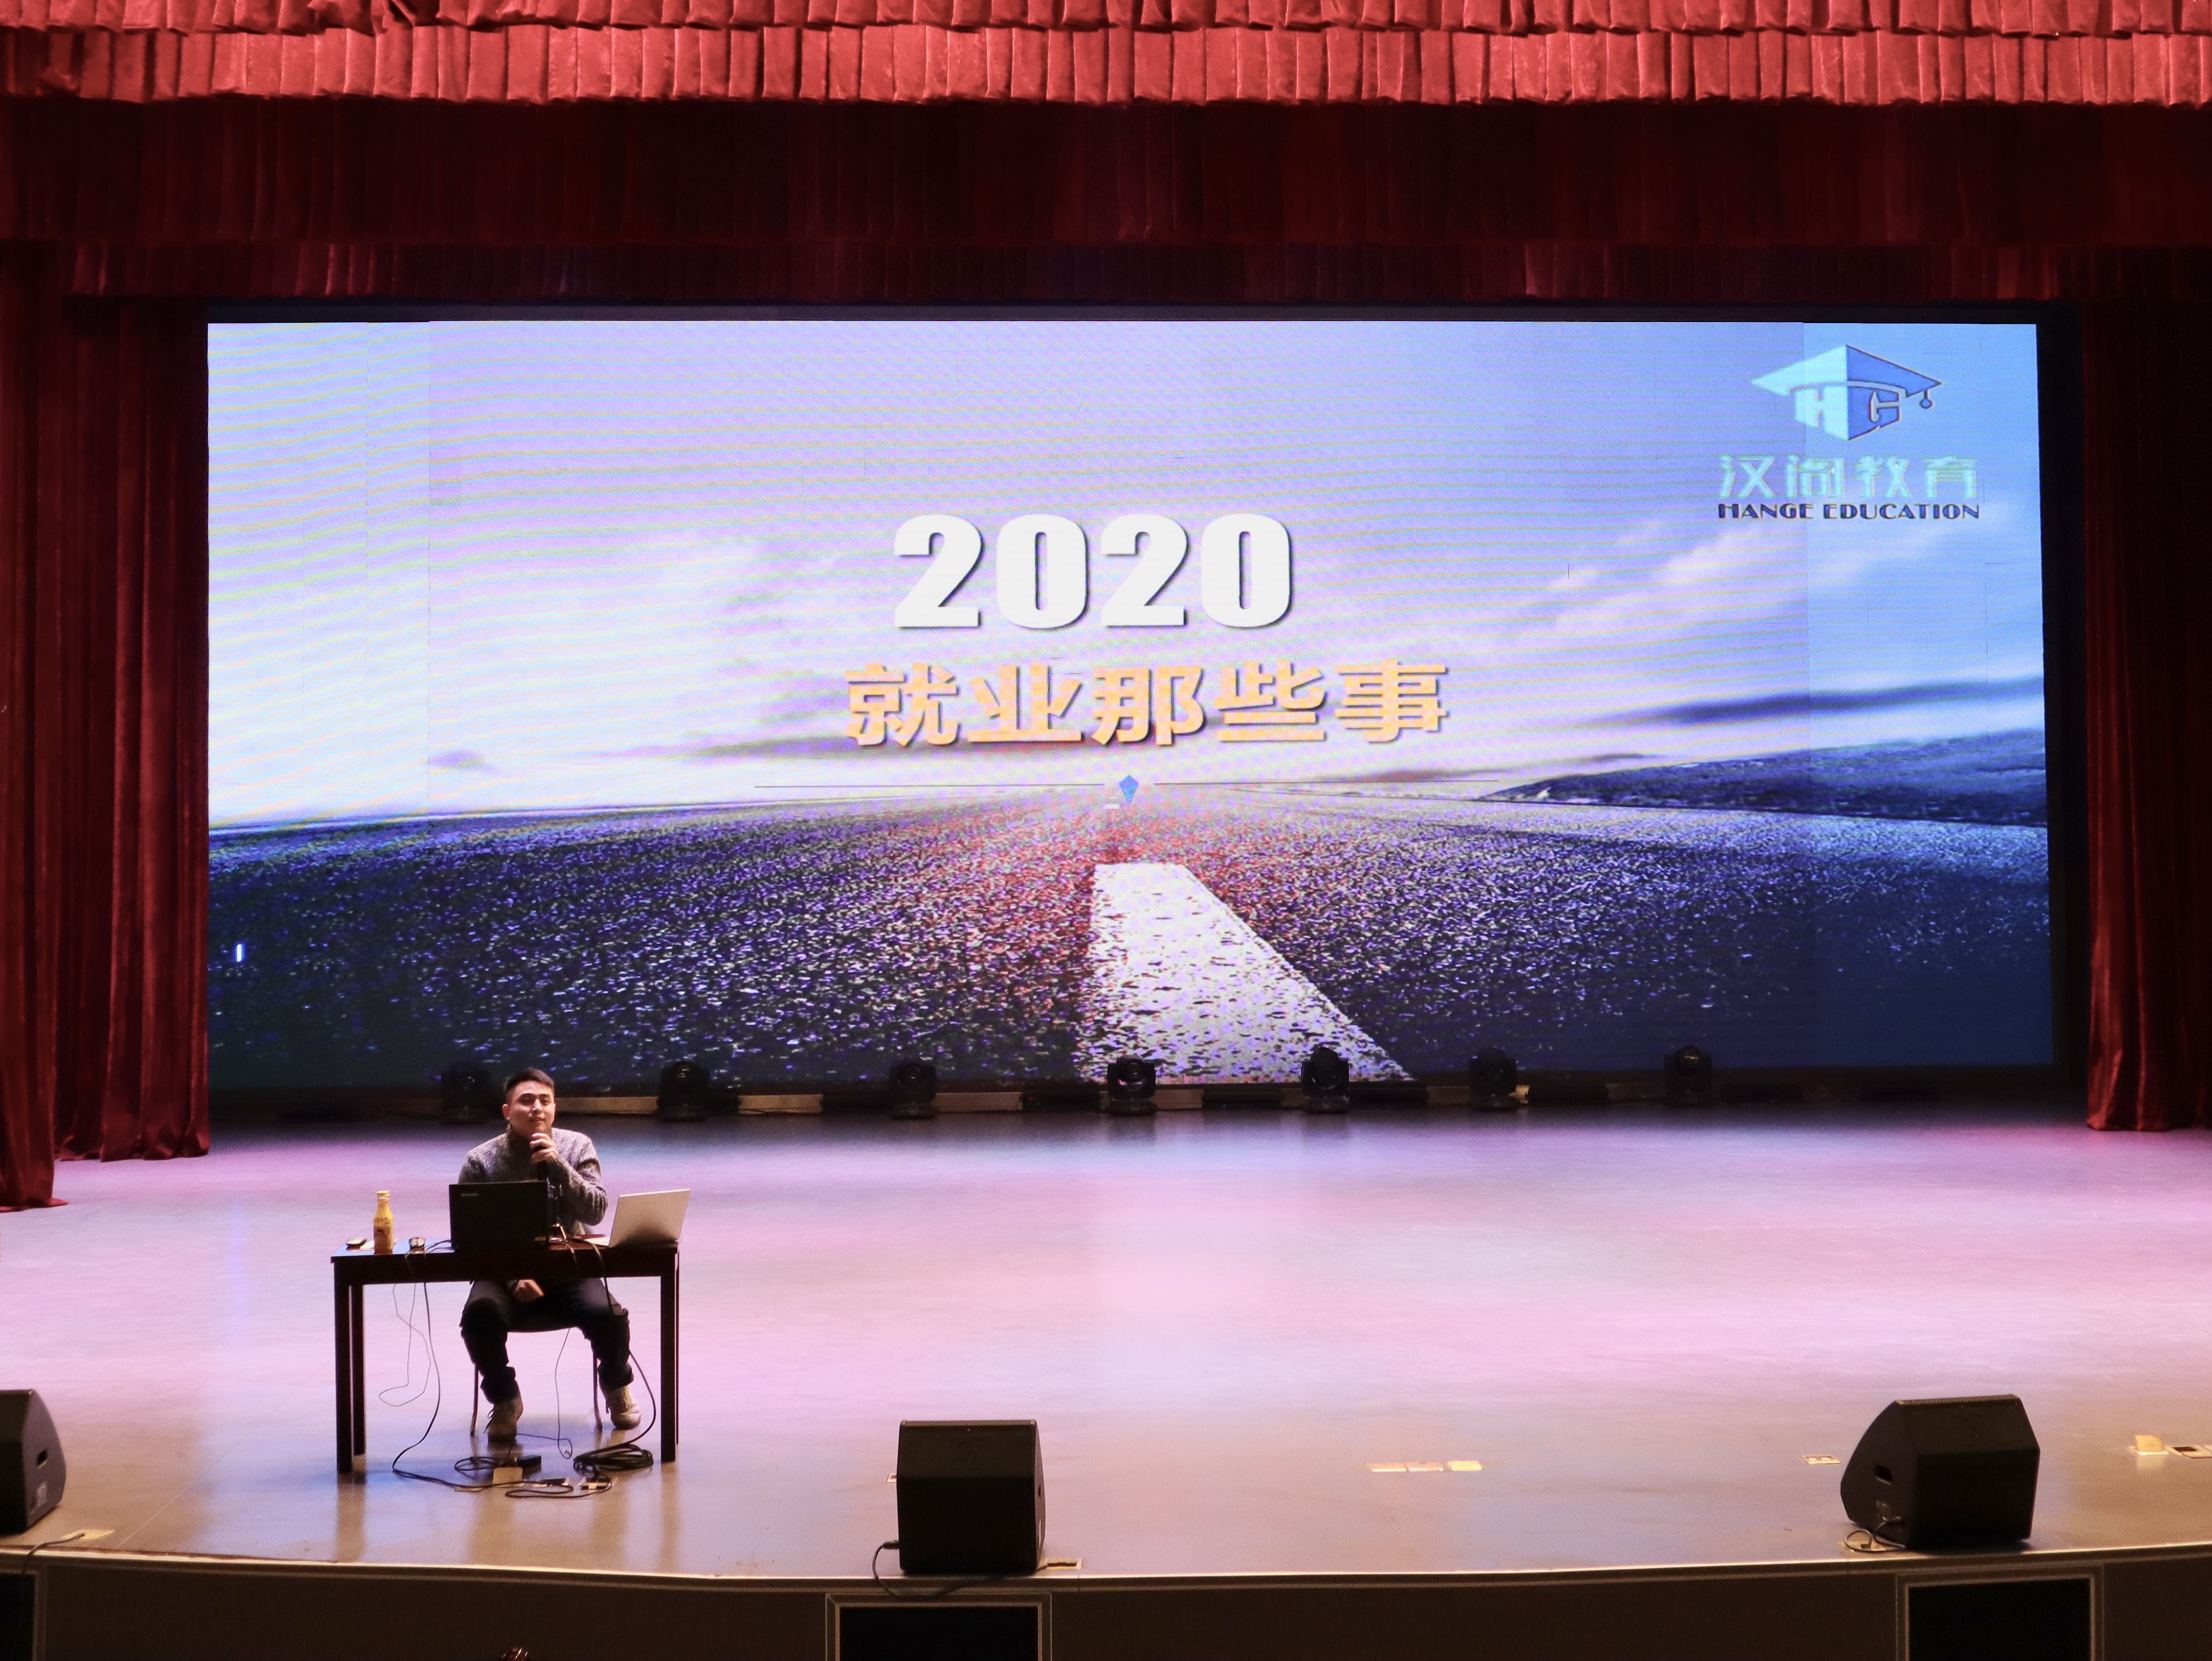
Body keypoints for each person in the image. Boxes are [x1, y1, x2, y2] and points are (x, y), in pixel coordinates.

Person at [457, 1068, 640, 1441]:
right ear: (507, 1111)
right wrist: (513, 1277)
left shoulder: (577, 1147)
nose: (537, 1108)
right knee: (479, 1316)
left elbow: (595, 1212)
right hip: (504, 1271)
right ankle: (505, 1398)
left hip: (568, 1268)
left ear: (555, 1108)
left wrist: (558, 1165)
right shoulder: (480, 1160)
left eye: (545, 1101)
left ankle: (616, 1383)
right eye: (526, 1101)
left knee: (609, 1315)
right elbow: (471, 1236)